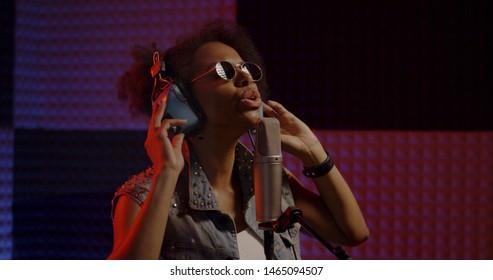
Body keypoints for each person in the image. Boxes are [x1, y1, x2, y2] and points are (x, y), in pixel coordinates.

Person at [108, 20, 368, 260]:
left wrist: (313, 152)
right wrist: (166, 176)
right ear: (182, 102)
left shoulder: (272, 182)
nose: (245, 78)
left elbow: (352, 233)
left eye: (247, 68)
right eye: (223, 71)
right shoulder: (140, 197)